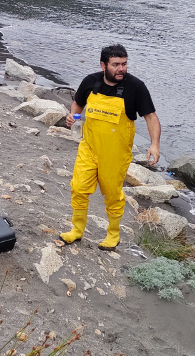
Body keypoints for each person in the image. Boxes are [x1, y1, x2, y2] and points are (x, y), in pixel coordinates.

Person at [60, 44, 161, 251]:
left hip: (115, 154)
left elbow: (151, 117)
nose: (121, 69)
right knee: (78, 188)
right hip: (89, 148)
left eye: (124, 64)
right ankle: (77, 230)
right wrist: (72, 116)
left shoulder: (136, 87)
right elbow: (78, 105)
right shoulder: (90, 81)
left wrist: (154, 145)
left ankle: (113, 234)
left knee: (112, 195)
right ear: (103, 65)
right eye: (115, 65)